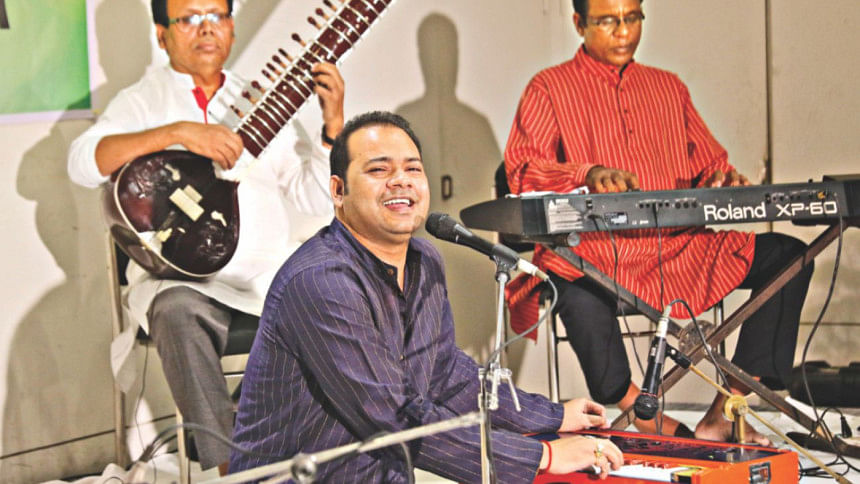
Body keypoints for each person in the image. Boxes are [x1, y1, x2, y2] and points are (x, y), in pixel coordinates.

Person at [229, 111, 624, 482]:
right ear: (338, 190)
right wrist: (543, 456)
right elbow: (392, 419)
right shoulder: (321, 281)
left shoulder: (424, 260)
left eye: (413, 169)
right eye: (379, 170)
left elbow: (446, 375)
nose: (401, 181)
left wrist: (551, 417)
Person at [504, 0, 813, 445]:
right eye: (608, 21)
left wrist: (721, 178)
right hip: (596, 254)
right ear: (579, 23)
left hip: (679, 248)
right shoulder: (548, 88)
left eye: (632, 18)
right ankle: (648, 417)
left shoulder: (669, 87)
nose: (623, 31)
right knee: (569, 284)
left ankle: (725, 410)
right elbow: (522, 170)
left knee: (790, 257)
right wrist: (587, 174)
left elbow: (710, 163)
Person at [67, 0, 346, 472]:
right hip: (187, 285)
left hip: (265, 282)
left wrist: (333, 127)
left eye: (216, 16)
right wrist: (176, 133)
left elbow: (315, 199)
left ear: (231, 28)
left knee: (343, 293)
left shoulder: (259, 99)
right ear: (162, 35)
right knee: (176, 312)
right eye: (189, 19)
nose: (206, 29)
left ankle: (309, 451)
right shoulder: (144, 101)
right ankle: (232, 470)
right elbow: (82, 163)